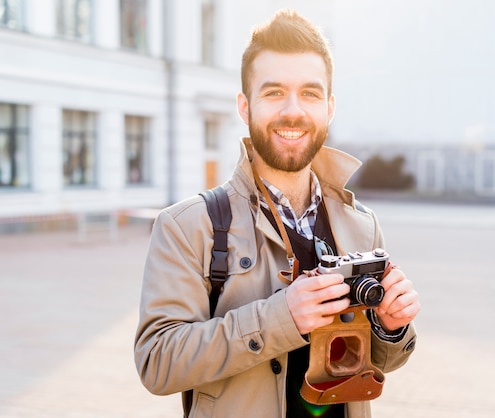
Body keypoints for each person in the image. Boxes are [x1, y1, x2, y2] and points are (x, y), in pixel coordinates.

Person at [134, 9, 420, 418]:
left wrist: (390, 328)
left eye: (309, 93)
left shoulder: (362, 224)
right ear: (244, 106)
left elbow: (377, 363)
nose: (293, 111)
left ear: (329, 107)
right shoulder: (186, 227)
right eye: (273, 93)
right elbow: (156, 364)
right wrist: (281, 317)